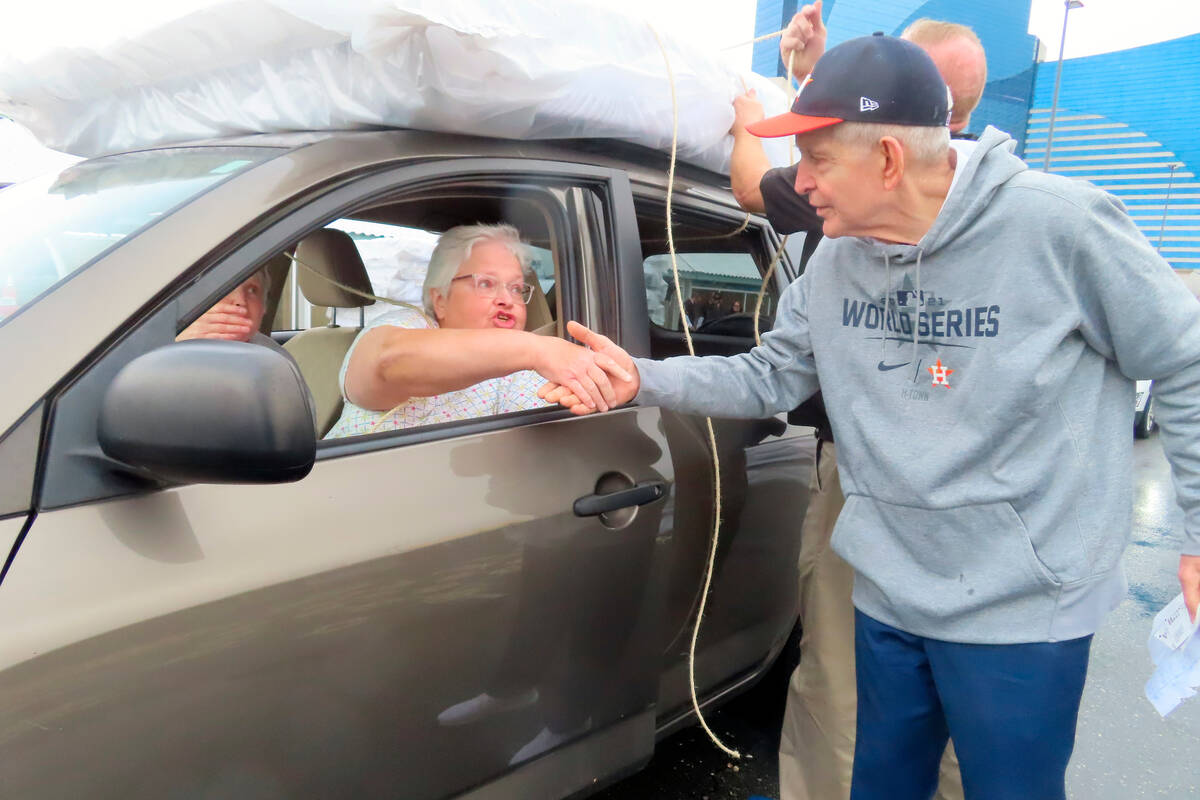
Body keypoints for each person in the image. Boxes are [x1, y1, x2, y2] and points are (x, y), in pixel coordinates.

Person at [541, 33, 1200, 800]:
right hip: (889, 590)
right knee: (881, 785)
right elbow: (767, 376)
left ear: (888, 159)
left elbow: (1184, 359)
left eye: (817, 161)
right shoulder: (838, 260)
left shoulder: (1060, 227)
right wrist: (639, 377)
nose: (801, 183)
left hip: (1024, 607)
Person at [728, 7, 989, 800]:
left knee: (841, 680)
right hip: (974, 488)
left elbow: (752, 183)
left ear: (891, 145)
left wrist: (748, 119)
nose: (811, 179)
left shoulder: (856, 203)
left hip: (865, 471)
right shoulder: (987, 201)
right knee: (951, 692)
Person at [325, 223, 628, 438]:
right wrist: (536, 349)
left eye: (516, 288)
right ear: (440, 299)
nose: (506, 300)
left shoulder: (530, 370)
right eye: (485, 283)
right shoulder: (410, 325)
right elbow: (384, 362)